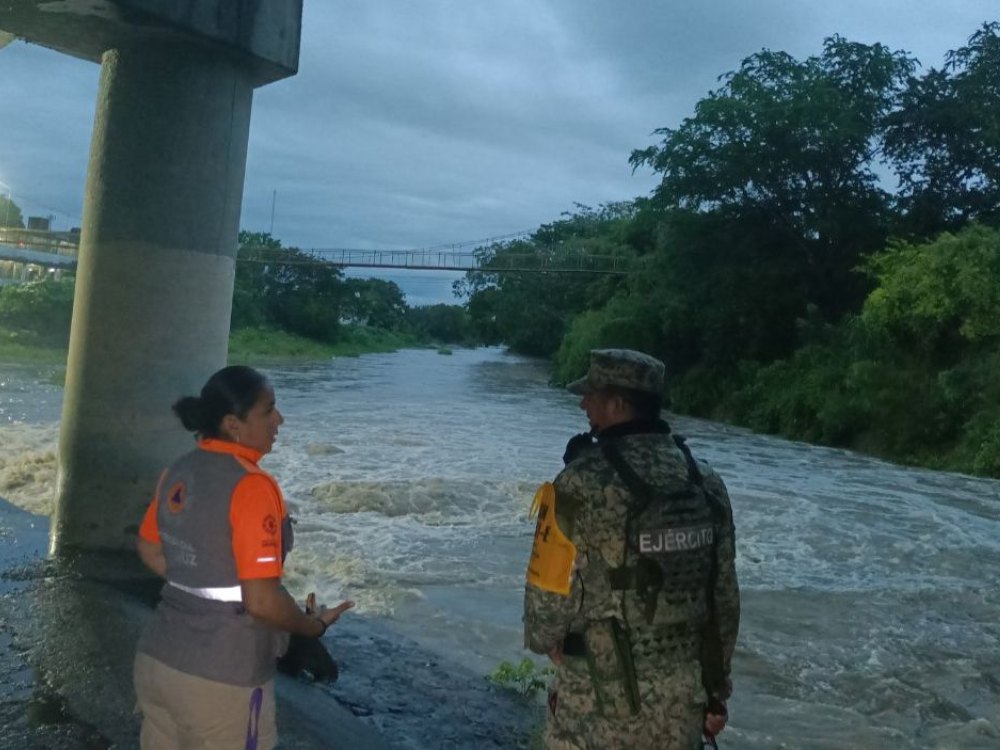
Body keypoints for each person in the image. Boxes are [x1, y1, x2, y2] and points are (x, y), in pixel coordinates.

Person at [523, 349, 740, 750]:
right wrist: (715, 690)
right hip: (681, 700)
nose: (583, 402)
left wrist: (549, 643)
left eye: (591, 394)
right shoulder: (706, 481)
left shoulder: (578, 483)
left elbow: (546, 603)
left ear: (617, 403)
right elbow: (723, 599)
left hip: (596, 700)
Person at [133, 365, 353, 750]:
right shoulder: (253, 485)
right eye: (269, 411)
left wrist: (202, 581)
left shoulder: (178, 470)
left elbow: (150, 548)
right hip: (221, 681)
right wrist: (310, 626)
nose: (279, 419)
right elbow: (262, 602)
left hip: (157, 661)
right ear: (234, 424)